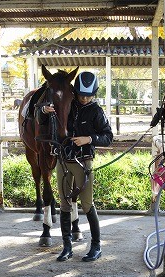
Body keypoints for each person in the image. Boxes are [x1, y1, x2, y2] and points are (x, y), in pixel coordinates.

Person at [40, 71, 113, 262]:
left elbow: (108, 137)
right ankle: (66, 246)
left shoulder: (96, 111)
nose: (84, 99)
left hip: (83, 161)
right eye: (81, 95)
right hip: (63, 160)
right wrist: (44, 112)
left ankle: (96, 246)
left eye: (88, 96)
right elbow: (45, 123)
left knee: (87, 204)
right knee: (64, 204)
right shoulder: (68, 105)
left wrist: (89, 139)